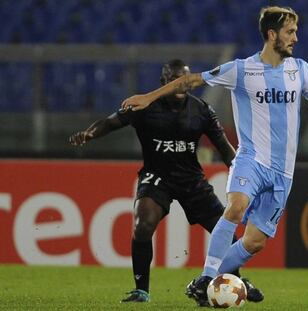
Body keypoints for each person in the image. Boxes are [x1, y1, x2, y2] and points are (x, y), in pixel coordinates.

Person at [120, 6, 308, 307]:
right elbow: (190, 82)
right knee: (237, 206)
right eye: (290, 32)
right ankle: (206, 279)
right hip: (251, 159)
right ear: (272, 34)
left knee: (254, 242)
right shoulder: (241, 70)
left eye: (295, 31)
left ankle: (206, 281)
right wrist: (148, 97)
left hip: (283, 173)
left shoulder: (301, 69)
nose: (296, 37)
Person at [69, 59, 264, 304]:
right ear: (164, 82)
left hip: (192, 180)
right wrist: (89, 133)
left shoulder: (202, 110)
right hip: (157, 177)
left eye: (184, 80)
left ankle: (237, 280)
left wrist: (246, 181)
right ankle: (141, 290)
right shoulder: (145, 107)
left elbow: (225, 150)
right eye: (174, 80)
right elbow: (110, 122)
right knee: (143, 225)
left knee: (224, 231)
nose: (181, 86)